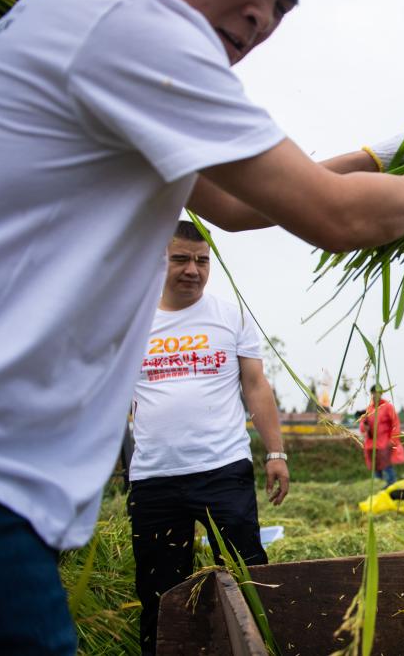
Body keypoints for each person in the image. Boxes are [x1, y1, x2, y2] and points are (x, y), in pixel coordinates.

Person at [0, 0, 404, 651]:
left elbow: (233, 204)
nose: (263, 15)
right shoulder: (134, 25)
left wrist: (374, 158)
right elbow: (336, 216)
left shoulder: (80, 15)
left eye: (285, 4)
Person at [128, 222, 288, 654]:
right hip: (154, 478)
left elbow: (256, 386)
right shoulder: (132, 320)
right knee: (160, 591)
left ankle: (258, 647)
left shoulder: (231, 315)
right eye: (180, 259)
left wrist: (275, 452)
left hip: (223, 471)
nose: (193, 270)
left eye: (202, 260)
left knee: (247, 575)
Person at [359, 385, 404, 486]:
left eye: (378, 393)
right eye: (373, 393)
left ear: (381, 394)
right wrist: (364, 426)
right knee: (376, 471)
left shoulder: (388, 407)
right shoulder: (369, 409)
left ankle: (392, 488)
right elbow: (362, 427)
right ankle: (379, 489)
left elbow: (395, 424)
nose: (375, 395)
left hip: (384, 444)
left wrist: (393, 440)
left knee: (387, 469)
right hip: (372, 445)